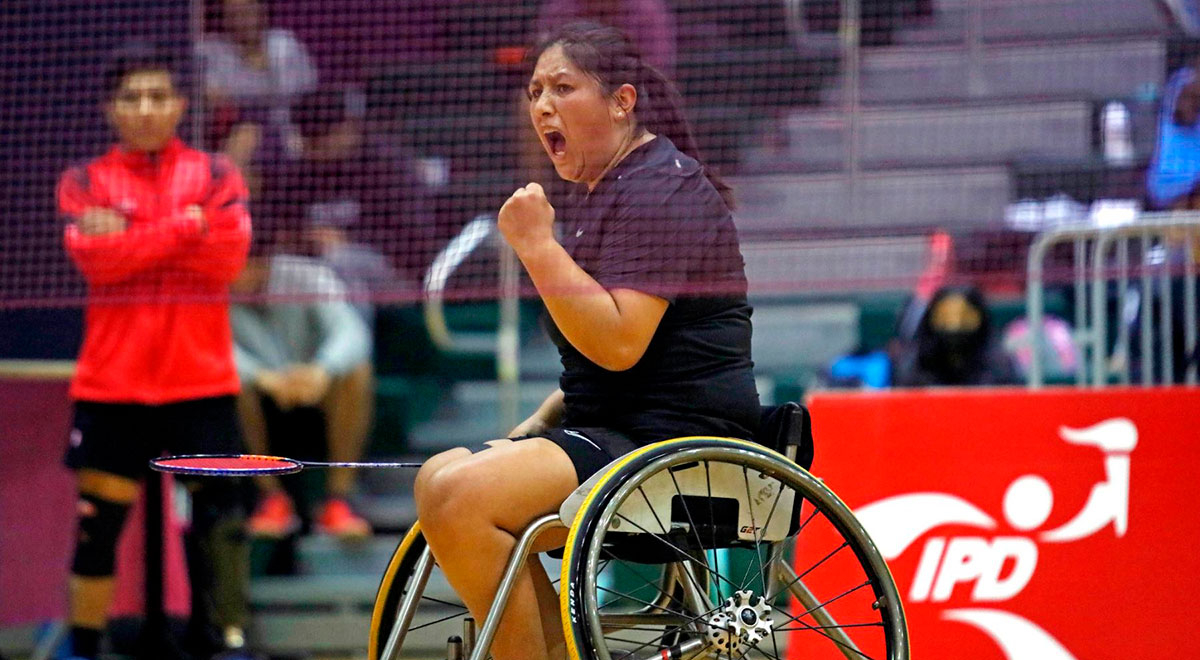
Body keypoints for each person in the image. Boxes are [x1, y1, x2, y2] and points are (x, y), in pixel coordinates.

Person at [413, 21, 759, 660]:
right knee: (439, 476)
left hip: (678, 440)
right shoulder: (608, 192)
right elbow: (609, 359)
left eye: (562, 87)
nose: (542, 104)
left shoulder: (663, 188)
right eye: (534, 91)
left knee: (461, 496)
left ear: (622, 101)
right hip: (616, 429)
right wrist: (547, 414)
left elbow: (622, 342)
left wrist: (536, 247)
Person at [56, 44, 252, 658]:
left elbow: (228, 257)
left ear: (180, 104)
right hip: (112, 387)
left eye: (158, 95)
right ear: (111, 108)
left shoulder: (218, 174)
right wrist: (187, 226)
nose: (146, 108)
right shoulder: (84, 181)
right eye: (132, 97)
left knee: (219, 525)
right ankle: (82, 648)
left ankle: (221, 643)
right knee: (97, 531)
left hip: (202, 383)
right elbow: (97, 262)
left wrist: (134, 233)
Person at [230, 246, 374, 539]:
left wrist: (321, 370)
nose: (240, 273)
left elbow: (351, 331)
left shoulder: (306, 276)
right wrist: (262, 377)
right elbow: (212, 348)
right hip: (260, 392)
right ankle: (270, 500)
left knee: (357, 373)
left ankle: (338, 501)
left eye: (249, 263)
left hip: (313, 386)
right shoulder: (209, 285)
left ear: (265, 262)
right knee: (231, 383)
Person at [197, 0, 318, 196]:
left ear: (261, 10)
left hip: (290, 135)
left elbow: (310, 95)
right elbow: (213, 97)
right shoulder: (211, 51)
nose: (242, 19)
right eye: (234, 13)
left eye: (248, 10)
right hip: (236, 133)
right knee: (248, 132)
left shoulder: (285, 45)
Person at [892, 285, 1019, 387]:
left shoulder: (998, 366)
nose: (955, 324)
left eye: (965, 317)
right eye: (946, 316)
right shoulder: (915, 366)